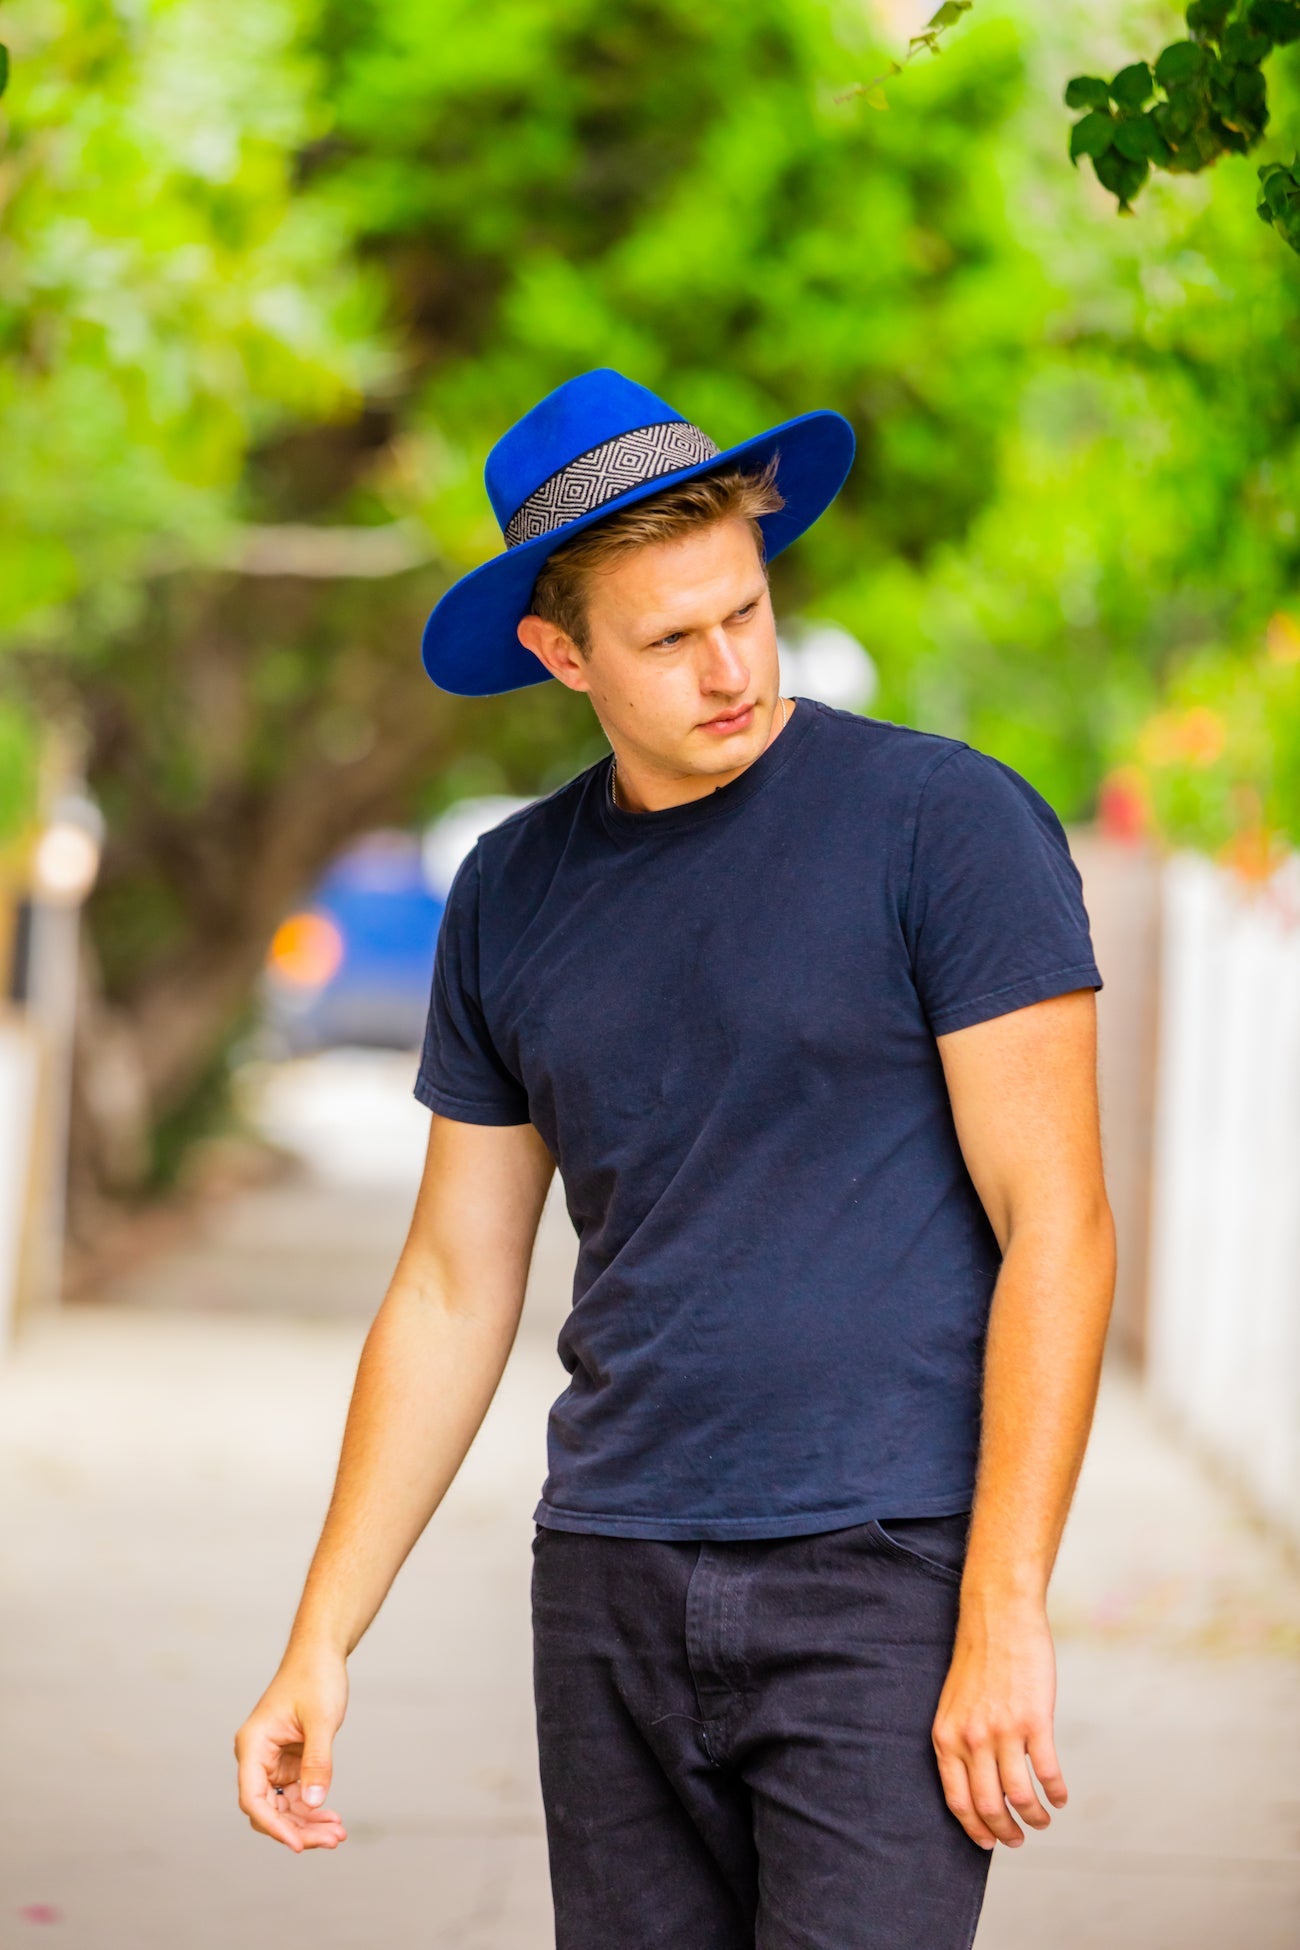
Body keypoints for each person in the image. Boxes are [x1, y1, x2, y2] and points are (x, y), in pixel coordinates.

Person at [235, 368, 1116, 1949]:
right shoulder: (510, 892)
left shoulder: (947, 828)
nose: (731, 667)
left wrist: (1005, 1601)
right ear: (557, 650)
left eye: (746, 610)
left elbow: (1058, 1223)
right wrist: (321, 1635)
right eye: (667, 637)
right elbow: (449, 1286)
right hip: (609, 1580)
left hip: (882, 1574)